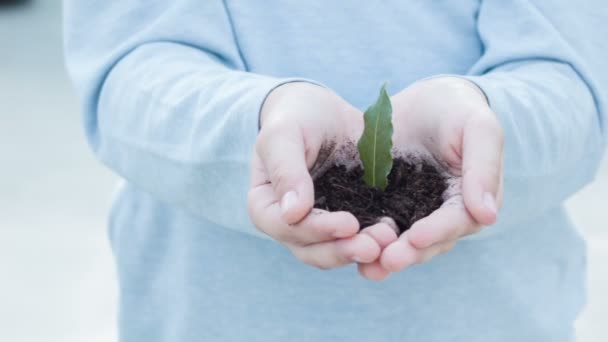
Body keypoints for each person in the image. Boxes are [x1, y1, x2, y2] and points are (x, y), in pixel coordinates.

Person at [64, 1, 607, 341]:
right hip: (213, 316)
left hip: (490, 320)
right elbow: (127, 74)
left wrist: (483, 118)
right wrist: (262, 121)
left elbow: (574, 83)